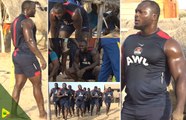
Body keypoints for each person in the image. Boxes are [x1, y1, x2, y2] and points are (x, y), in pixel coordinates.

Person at [121, 1, 186, 120]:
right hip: (129, 108)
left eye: (142, 12)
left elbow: (181, 76)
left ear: (154, 16)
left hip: (156, 109)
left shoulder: (169, 44)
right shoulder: (129, 41)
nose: (136, 15)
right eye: (136, 11)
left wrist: (180, 109)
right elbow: (123, 75)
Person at [10, 1, 47, 118]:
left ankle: (13, 113)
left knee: (18, 85)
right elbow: (30, 41)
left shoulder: (15, 21)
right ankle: (42, 113)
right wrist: (41, 58)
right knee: (37, 85)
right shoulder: (27, 21)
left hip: (17, 55)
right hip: (27, 57)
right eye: (34, 9)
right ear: (27, 9)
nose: (35, 11)